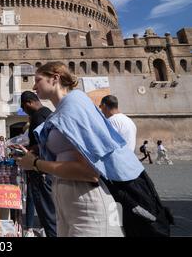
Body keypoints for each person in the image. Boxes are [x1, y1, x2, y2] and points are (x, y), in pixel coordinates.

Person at [16, 62, 145, 237]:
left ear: (55, 78)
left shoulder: (74, 105)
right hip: (70, 206)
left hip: (88, 207)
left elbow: (89, 172)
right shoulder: (62, 110)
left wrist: (36, 164)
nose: (33, 86)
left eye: (38, 80)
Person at [20, 91, 57, 237]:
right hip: (45, 169)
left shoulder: (37, 117)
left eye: (24, 108)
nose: (24, 111)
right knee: (50, 211)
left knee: (48, 214)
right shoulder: (48, 113)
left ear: (29, 103)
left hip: (39, 170)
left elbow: (41, 144)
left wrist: (27, 152)